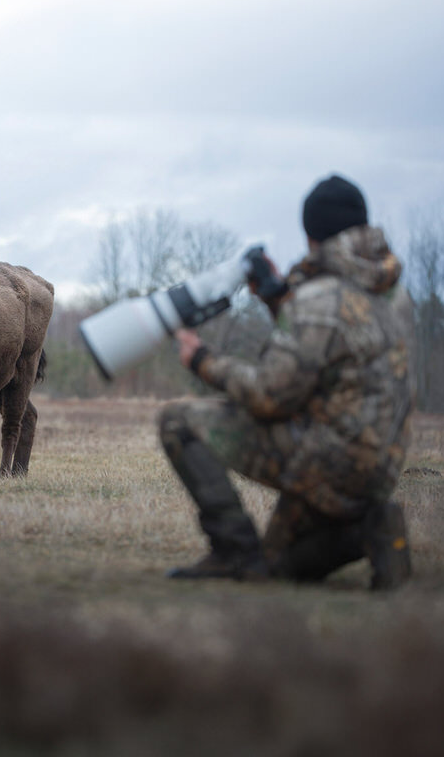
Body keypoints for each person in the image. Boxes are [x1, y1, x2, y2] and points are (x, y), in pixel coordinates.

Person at [159, 174, 416, 590]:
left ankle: (232, 551)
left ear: (312, 237)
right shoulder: (393, 295)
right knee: (276, 568)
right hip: (379, 468)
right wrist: (279, 302)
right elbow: (335, 345)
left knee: (178, 421)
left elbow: (268, 396)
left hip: (327, 459)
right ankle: (370, 528)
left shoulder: (318, 300)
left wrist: (203, 360)